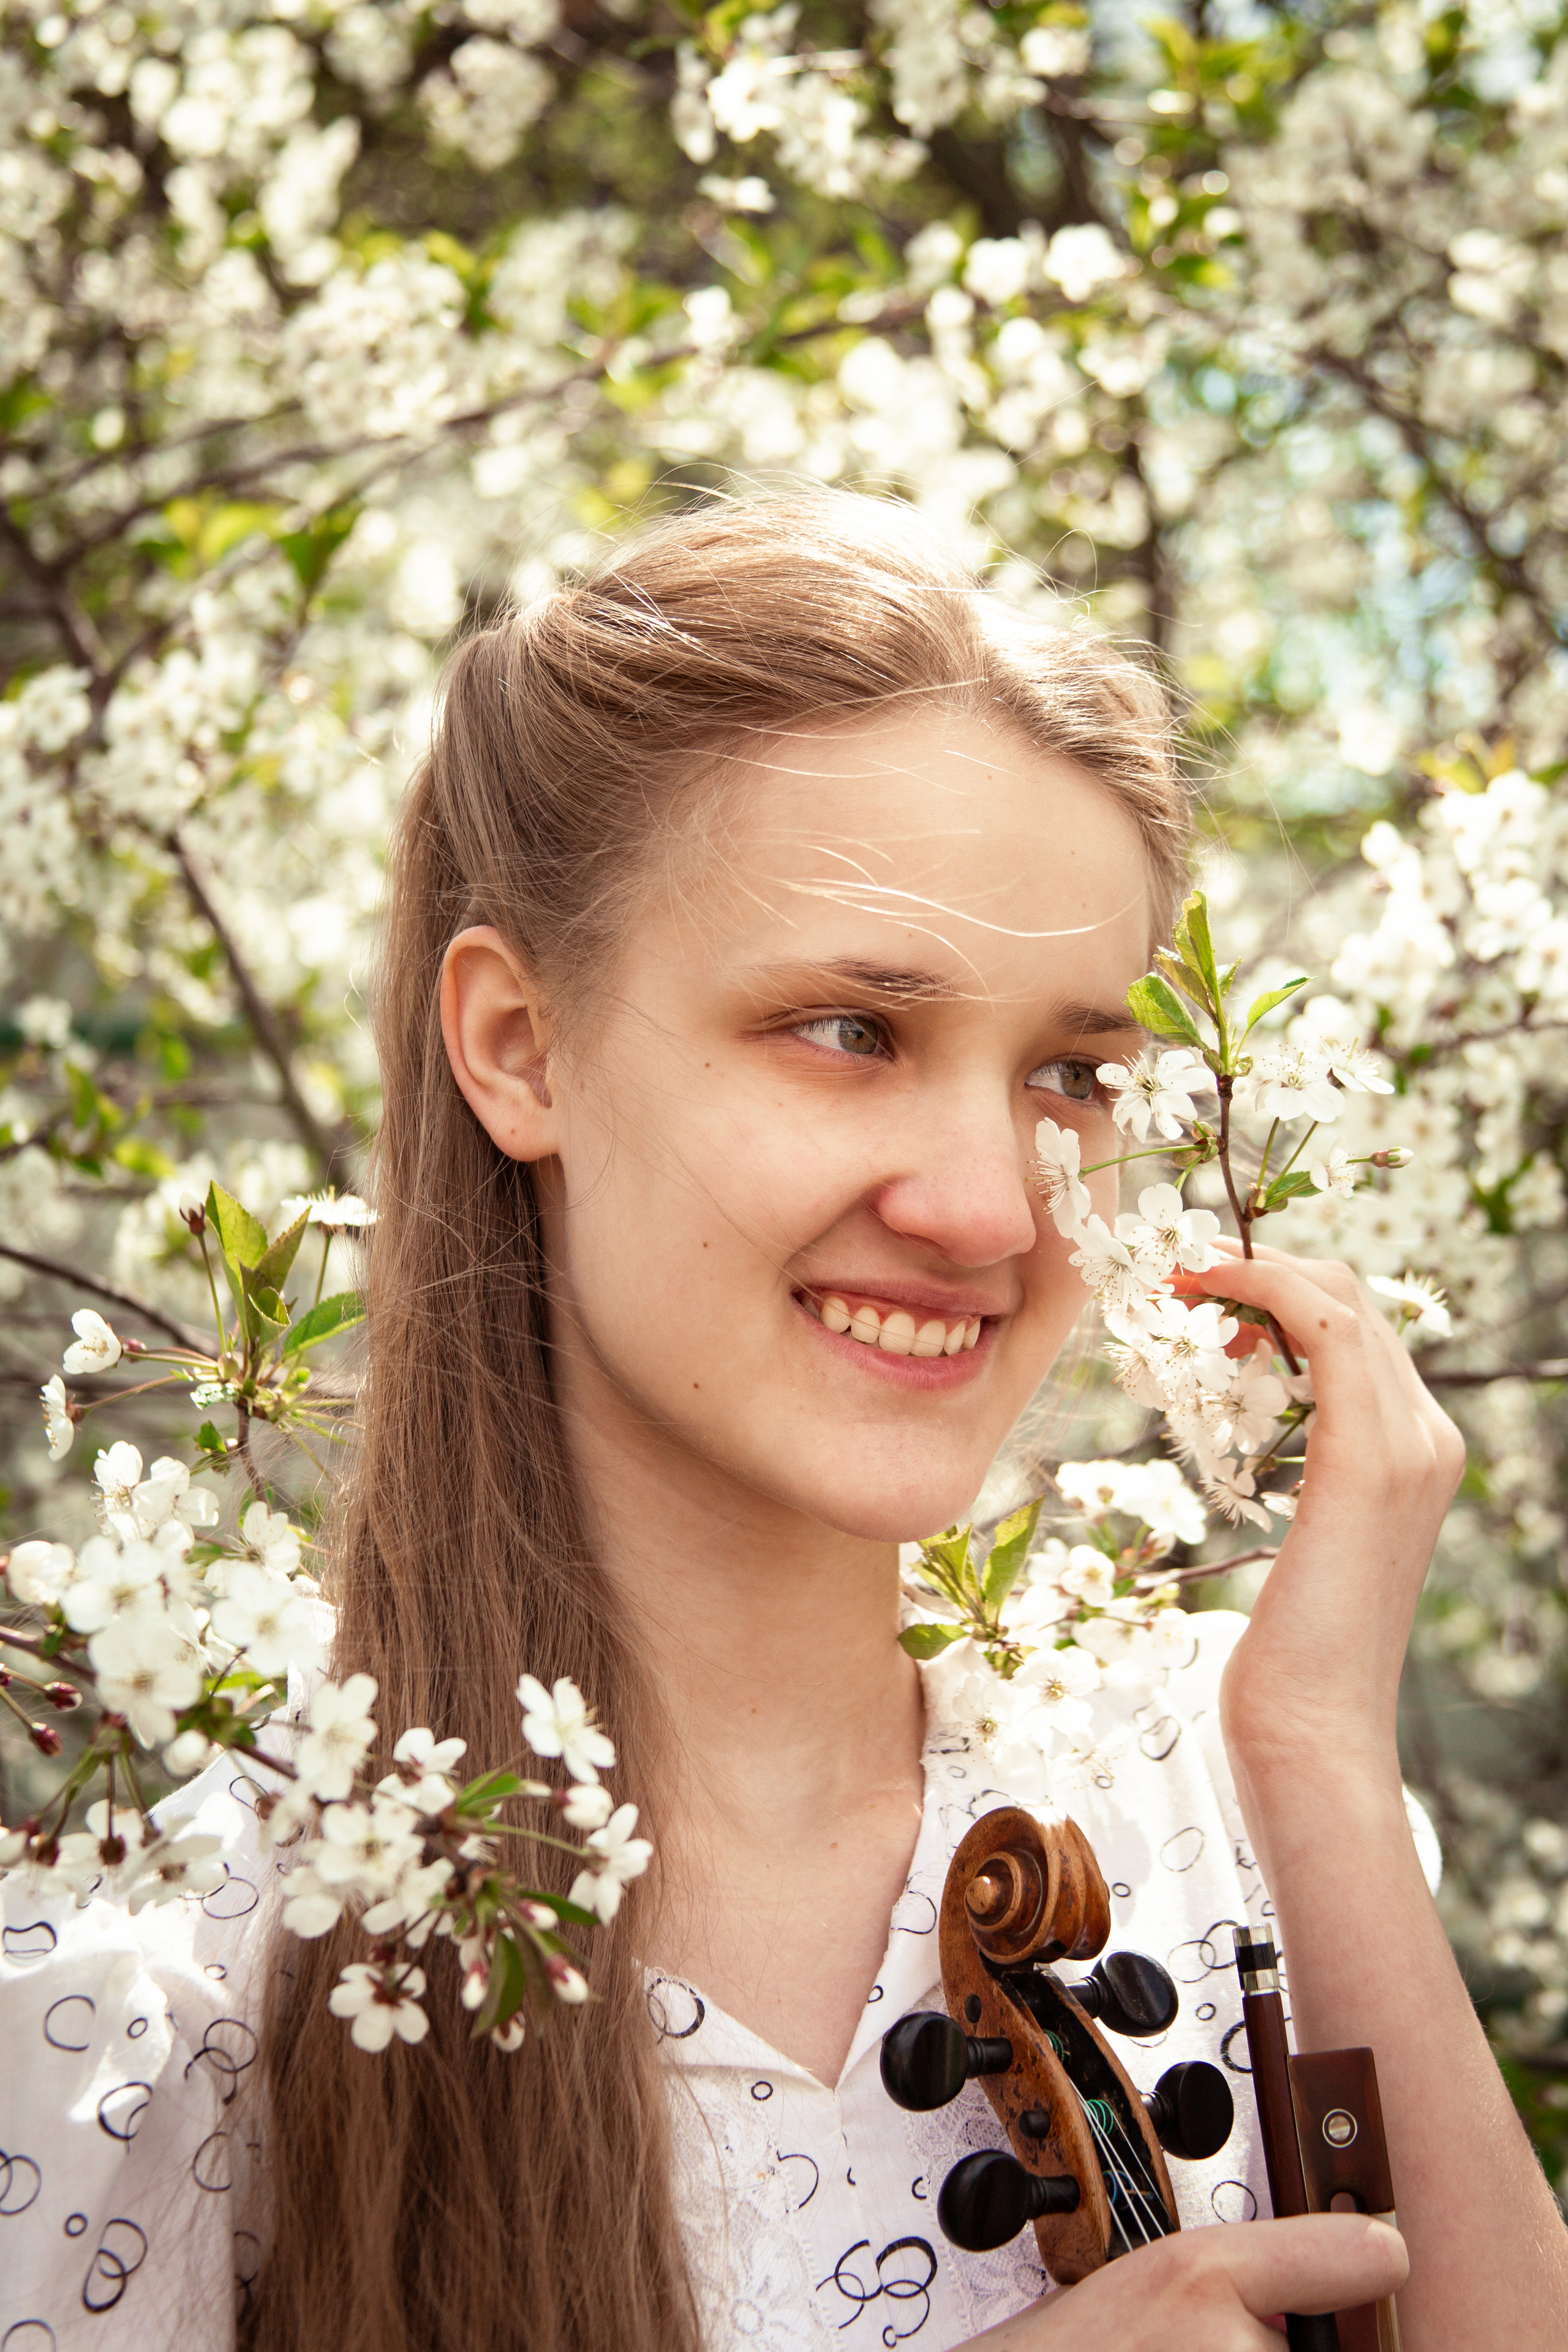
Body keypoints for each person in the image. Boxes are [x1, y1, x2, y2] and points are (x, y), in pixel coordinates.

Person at [2, 492, 1562, 2352]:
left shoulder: (1196, 1784)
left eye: (1074, 1071)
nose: (991, 1209)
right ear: (520, 1045)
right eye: (849, 1031)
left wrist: (1311, 1751)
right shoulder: (170, 1987)